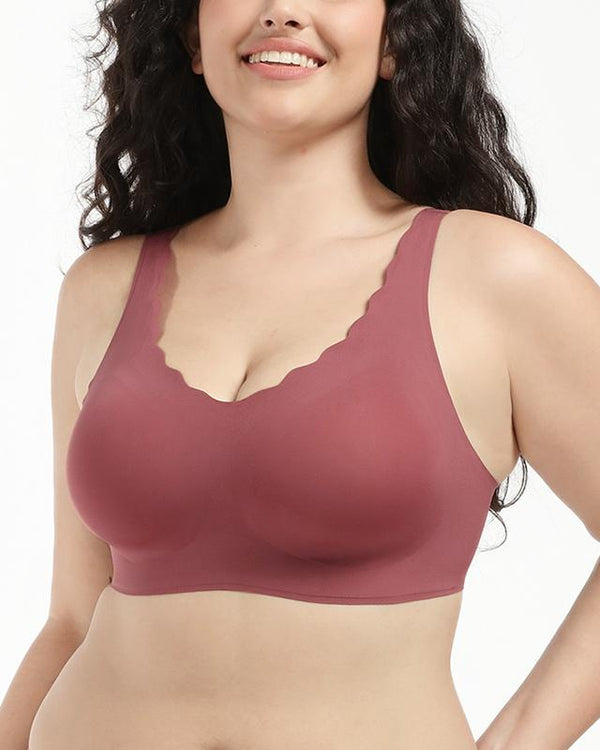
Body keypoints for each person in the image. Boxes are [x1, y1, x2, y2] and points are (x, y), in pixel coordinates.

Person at [2, 0, 600, 748]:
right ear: (192, 37)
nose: (282, 10)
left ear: (395, 40)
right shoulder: (102, 289)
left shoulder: (494, 276)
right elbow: (70, 619)